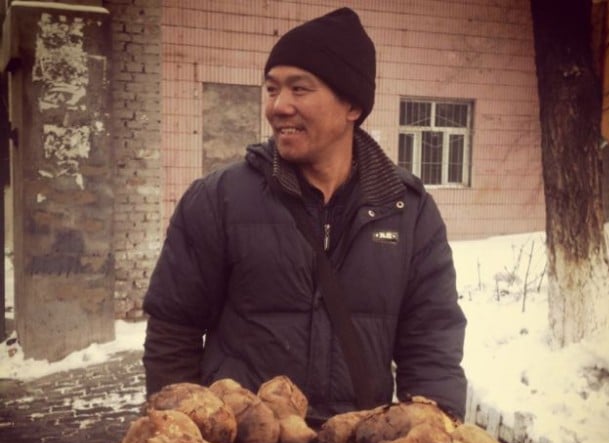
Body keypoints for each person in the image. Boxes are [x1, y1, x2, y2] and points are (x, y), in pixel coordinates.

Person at [142, 7, 467, 420]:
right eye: (272, 89)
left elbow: (432, 338)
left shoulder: (407, 211)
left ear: (351, 105)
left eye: (299, 89)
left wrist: (433, 433)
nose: (279, 106)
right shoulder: (218, 199)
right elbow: (174, 329)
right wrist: (184, 431)